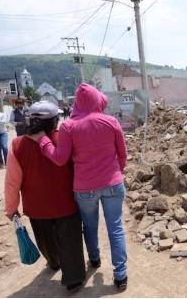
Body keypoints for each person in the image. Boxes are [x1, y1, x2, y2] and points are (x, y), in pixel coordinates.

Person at [32, 84, 128, 290]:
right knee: (116, 229)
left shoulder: (68, 126)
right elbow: (123, 155)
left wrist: (43, 141)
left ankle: (94, 259)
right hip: (113, 184)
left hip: (84, 189)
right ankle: (120, 275)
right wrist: (114, 173)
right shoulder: (111, 121)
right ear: (96, 100)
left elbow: (59, 159)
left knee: (90, 227)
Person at [4, 101, 86, 293]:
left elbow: (12, 181)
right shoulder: (65, 140)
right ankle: (73, 279)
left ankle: (54, 262)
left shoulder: (17, 145)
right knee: (70, 240)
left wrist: (11, 207)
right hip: (66, 203)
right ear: (54, 121)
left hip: (36, 207)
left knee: (46, 240)